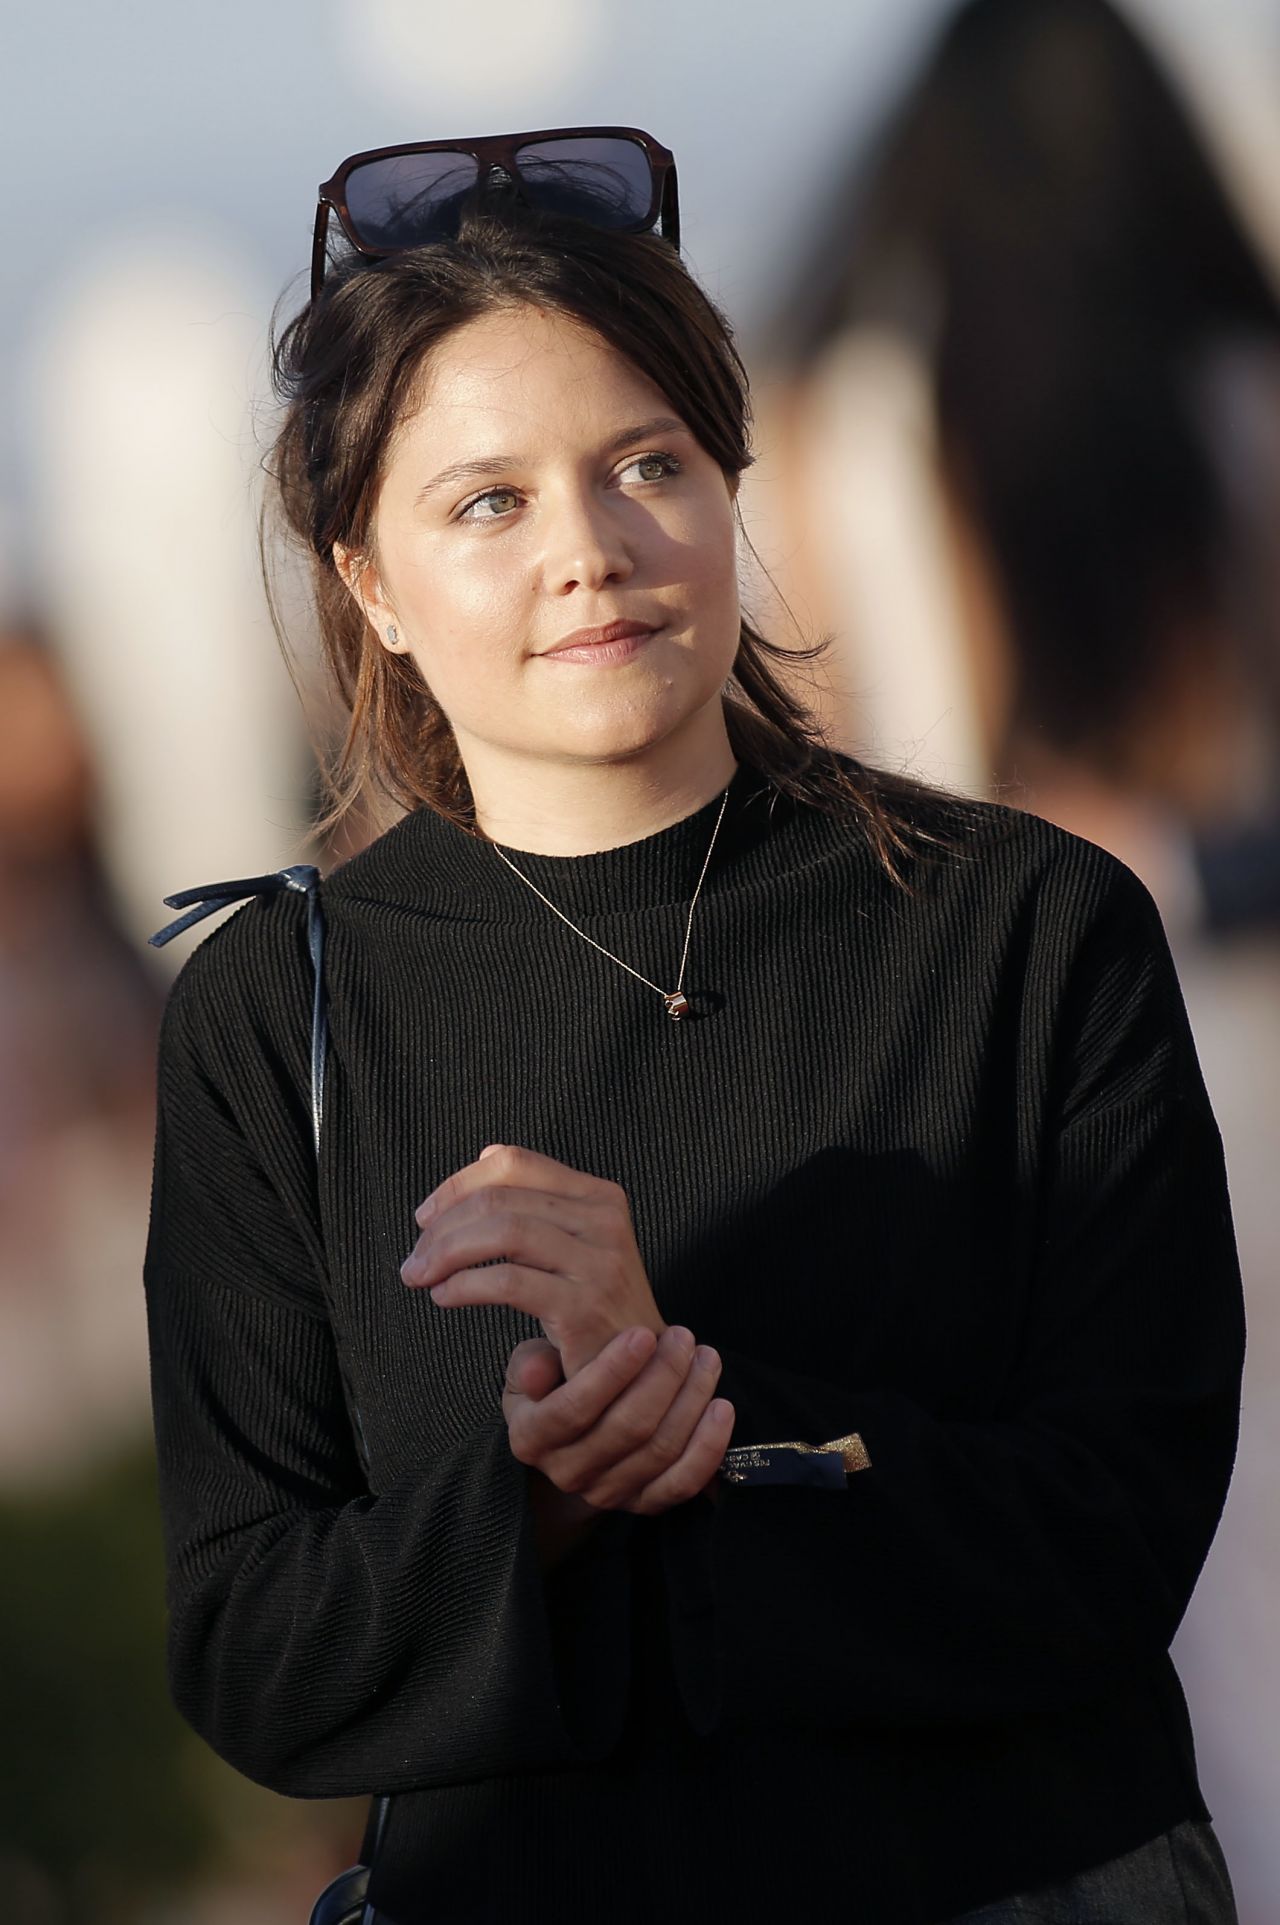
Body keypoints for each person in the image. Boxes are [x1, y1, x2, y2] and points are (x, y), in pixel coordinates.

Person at [142, 129, 1244, 1924]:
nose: (588, 551)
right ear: (371, 586)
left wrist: (711, 1414)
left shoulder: (1029, 929)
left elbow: (1121, 1528)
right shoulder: (278, 1015)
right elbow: (258, 1648)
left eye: (645, 463)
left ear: (732, 486)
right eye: (486, 502)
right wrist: (545, 1497)